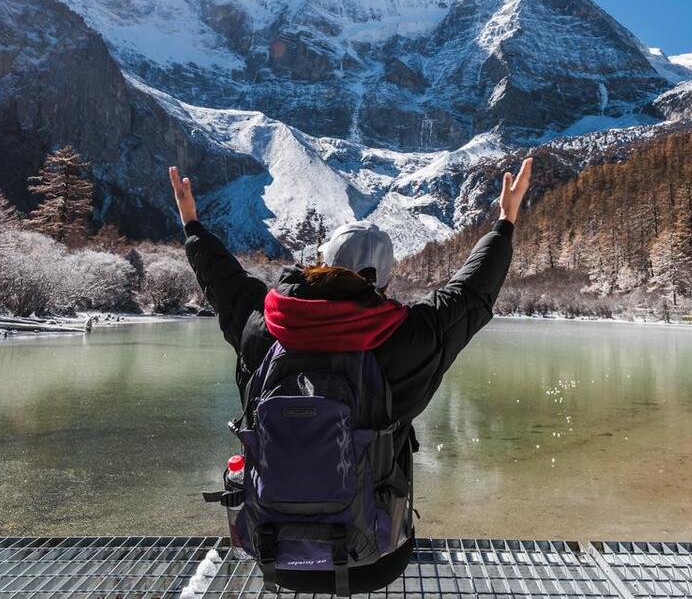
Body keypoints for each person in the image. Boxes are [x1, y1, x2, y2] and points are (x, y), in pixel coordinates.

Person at [169, 157, 532, 594]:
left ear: (319, 263)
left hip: (274, 554)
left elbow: (223, 281)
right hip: (375, 557)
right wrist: (504, 224)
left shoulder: (262, 324)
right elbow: (471, 292)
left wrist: (193, 227)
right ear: (382, 278)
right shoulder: (408, 338)